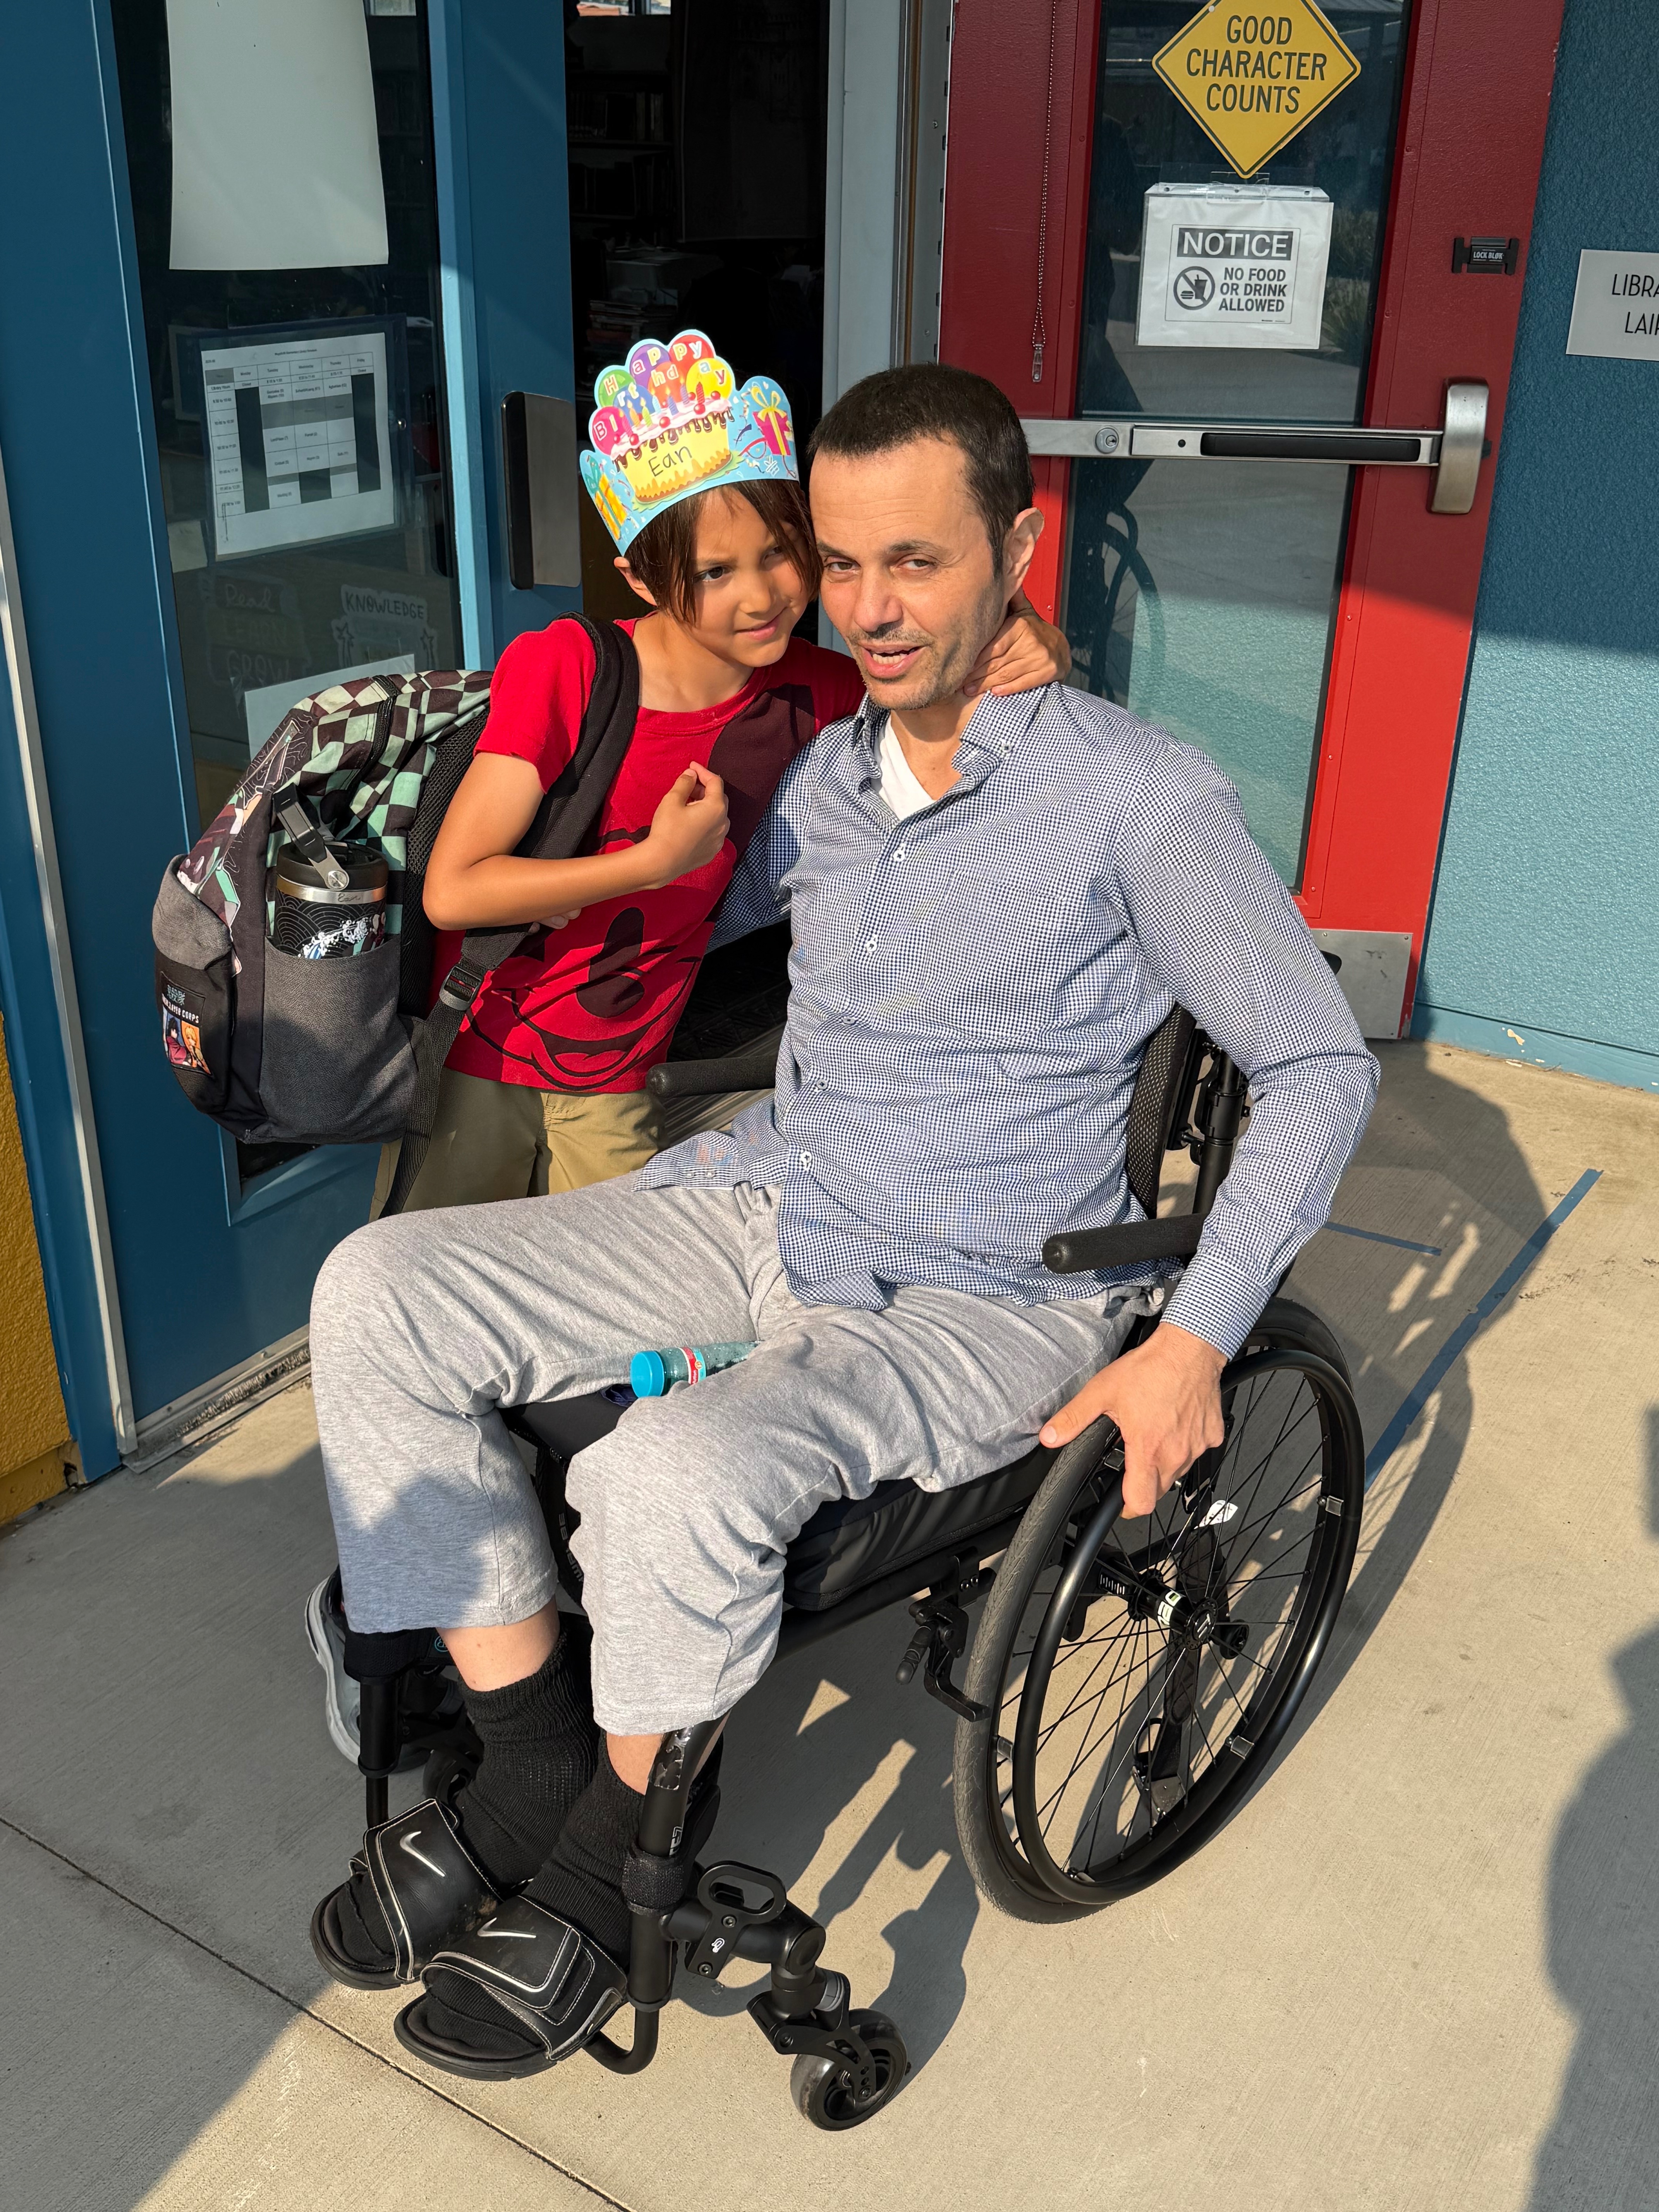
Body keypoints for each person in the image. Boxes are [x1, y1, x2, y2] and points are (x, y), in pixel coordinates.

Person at [306, 363, 1379, 2078]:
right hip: (768, 1196)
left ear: (1017, 551)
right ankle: (527, 1773)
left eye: (920, 563)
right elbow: (689, 902)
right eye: (847, 561)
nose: (870, 608)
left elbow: (1317, 1066)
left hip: (982, 1290)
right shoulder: (820, 775)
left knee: (666, 1472)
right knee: (378, 1288)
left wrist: (1195, 1341)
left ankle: (598, 1872)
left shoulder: (1138, 797)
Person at [305, 337, 1066, 1759]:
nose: (762, 593)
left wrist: (1032, 643)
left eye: (781, 555)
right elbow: (459, 886)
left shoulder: (814, 690)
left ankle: (572, 1636)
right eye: (715, 571)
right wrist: (648, 863)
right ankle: (382, 1641)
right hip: (488, 1070)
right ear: (645, 577)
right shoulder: (568, 666)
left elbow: (958, 685)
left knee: (605, 1378)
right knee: (411, 1356)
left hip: (617, 1083)